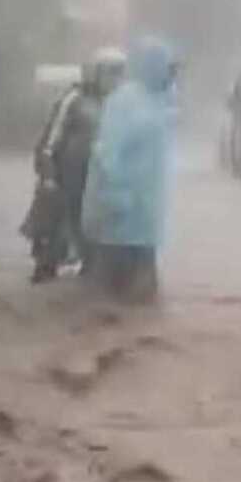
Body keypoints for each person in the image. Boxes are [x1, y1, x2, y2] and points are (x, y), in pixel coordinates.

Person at [82, 37, 178, 303]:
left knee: (144, 302)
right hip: (120, 222)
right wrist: (114, 196)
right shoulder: (124, 102)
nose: (173, 75)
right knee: (109, 299)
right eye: (169, 68)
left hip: (147, 225)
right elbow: (106, 152)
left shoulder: (163, 100)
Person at [21, 49, 126, 283]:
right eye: (110, 72)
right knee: (53, 238)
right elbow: (50, 141)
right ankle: (46, 276)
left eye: (120, 72)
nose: (115, 78)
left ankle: (87, 279)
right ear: (95, 72)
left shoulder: (120, 105)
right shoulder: (74, 99)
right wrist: (48, 175)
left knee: (92, 244)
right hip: (65, 180)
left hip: (97, 184)